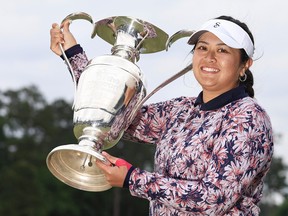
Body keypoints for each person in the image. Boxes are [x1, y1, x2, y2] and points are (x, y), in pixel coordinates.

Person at [50, 15, 274, 215]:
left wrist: (132, 179)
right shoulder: (181, 111)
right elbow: (116, 116)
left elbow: (214, 198)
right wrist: (71, 53)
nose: (210, 57)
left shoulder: (248, 118)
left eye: (223, 50)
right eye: (202, 48)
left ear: (245, 64)